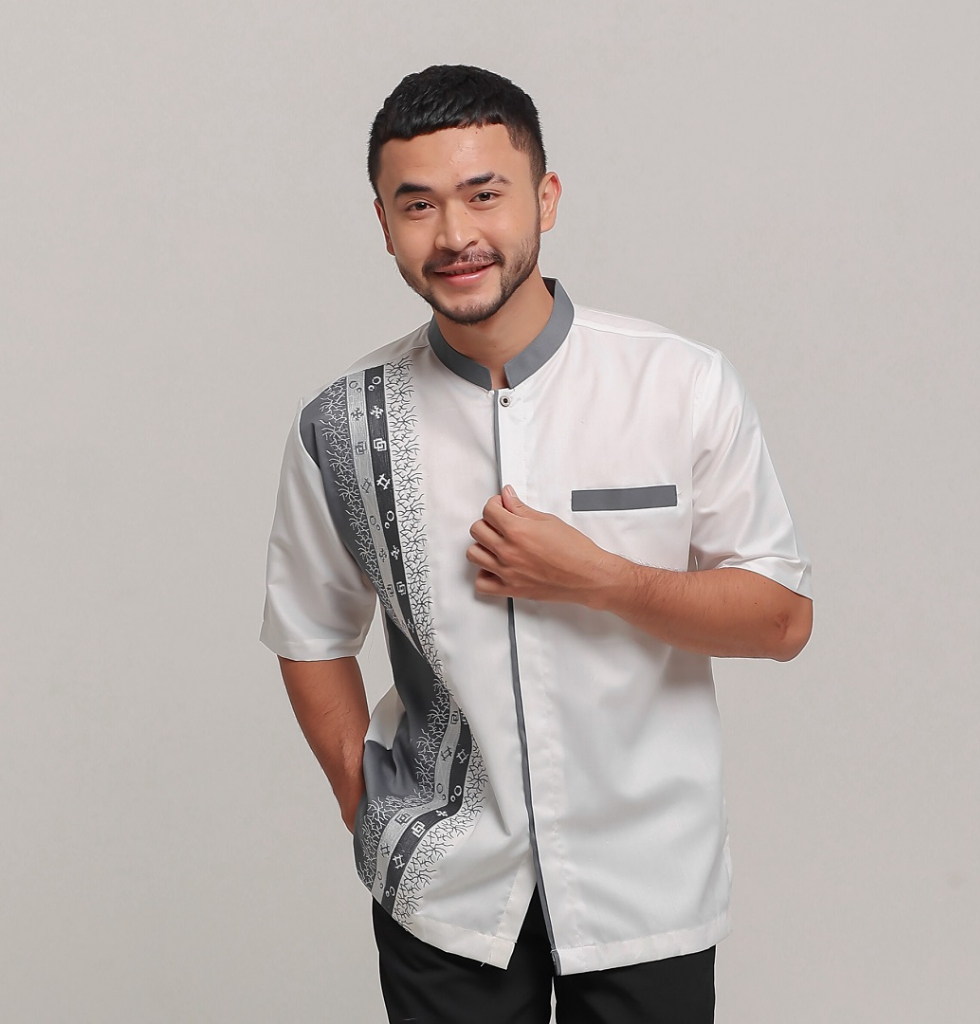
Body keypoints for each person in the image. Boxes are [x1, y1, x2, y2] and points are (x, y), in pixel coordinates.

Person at [260, 64, 812, 1024]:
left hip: (647, 884)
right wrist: (368, 806)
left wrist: (601, 578)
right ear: (384, 223)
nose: (455, 235)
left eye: (485, 194)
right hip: (447, 891)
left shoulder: (678, 386)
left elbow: (781, 621)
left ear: (545, 199)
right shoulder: (343, 425)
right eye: (418, 205)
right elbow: (308, 633)